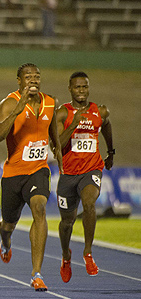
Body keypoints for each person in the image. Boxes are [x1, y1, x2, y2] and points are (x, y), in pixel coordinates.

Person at [0, 63, 63, 292]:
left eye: (37, 76)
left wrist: (63, 163)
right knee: (8, 225)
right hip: (13, 174)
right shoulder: (10, 102)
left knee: (39, 209)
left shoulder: (51, 102)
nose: (33, 80)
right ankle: (5, 240)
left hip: (38, 171)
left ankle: (36, 273)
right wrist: (18, 108)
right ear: (19, 81)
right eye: (28, 77)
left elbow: (54, 139)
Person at [55, 71, 114, 283]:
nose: (81, 91)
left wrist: (111, 152)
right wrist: (74, 124)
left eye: (85, 87)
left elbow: (106, 125)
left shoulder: (100, 111)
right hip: (68, 174)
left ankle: (88, 253)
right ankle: (66, 256)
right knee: (67, 223)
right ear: (70, 89)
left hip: (92, 169)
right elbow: (57, 146)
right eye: (77, 87)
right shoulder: (62, 113)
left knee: (89, 204)